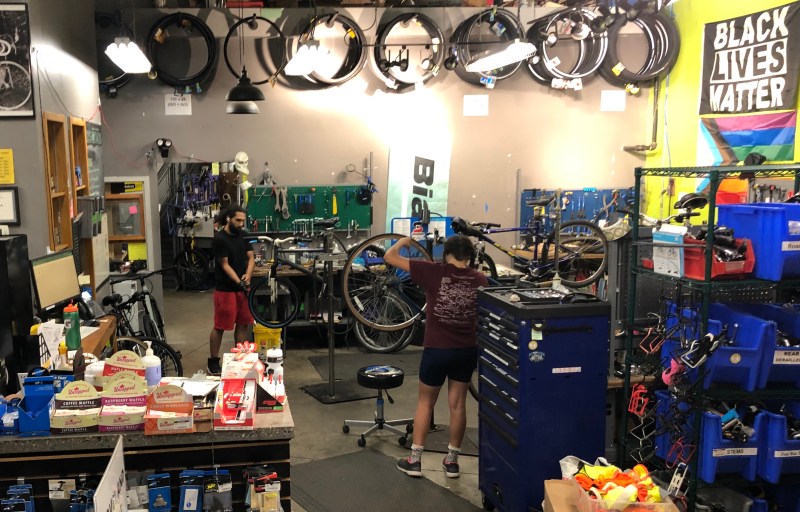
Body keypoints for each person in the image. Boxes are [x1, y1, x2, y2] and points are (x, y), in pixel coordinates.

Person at [384, 235, 488, 479]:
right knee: (458, 404)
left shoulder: (433, 271)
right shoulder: (480, 279)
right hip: (466, 350)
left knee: (425, 403)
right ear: (470, 256)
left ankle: (415, 460)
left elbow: (389, 257)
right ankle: (452, 462)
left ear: (447, 254)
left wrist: (403, 242)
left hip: (437, 350)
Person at [208, 205, 255, 375]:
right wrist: (238, 282)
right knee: (220, 326)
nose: (241, 224)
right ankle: (213, 361)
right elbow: (224, 264)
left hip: (243, 288)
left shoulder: (245, 235)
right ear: (228, 218)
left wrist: (248, 276)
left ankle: (239, 358)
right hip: (226, 290)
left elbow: (251, 258)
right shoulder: (220, 239)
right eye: (238, 220)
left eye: (243, 220)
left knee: (243, 324)